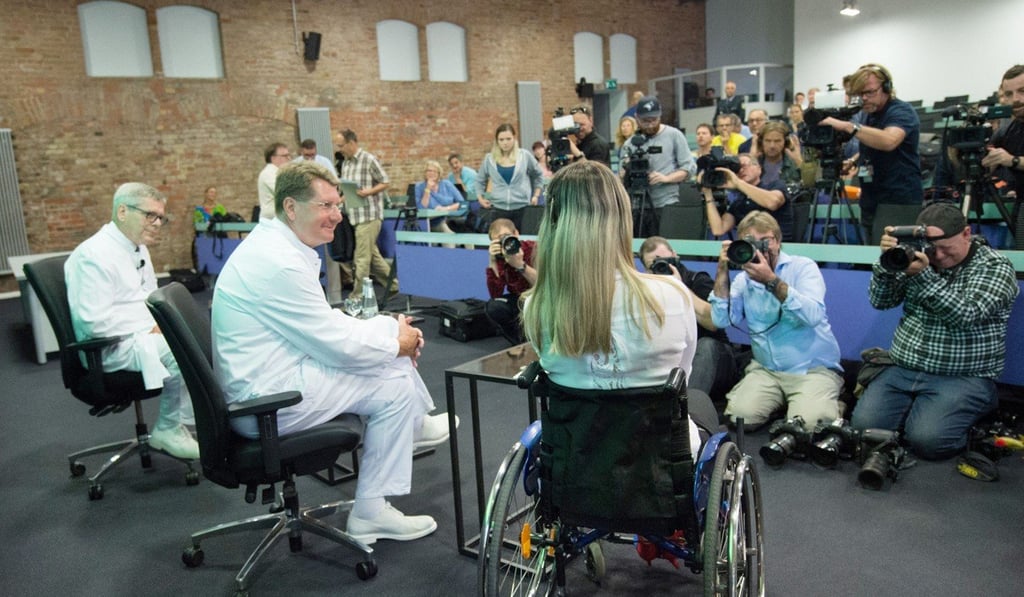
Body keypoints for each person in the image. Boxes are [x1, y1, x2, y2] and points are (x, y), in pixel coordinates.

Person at [213, 161, 456, 544]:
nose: (337, 215)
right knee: (392, 382)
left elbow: (324, 326)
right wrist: (396, 342)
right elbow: (338, 345)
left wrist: (391, 333)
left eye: (337, 204)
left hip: (272, 381)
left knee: (387, 352)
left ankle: (412, 428)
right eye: (326, 205)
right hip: (268, 403)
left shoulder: (276, 246)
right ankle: (374, 507)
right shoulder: (279, 263)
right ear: (291, 207)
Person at [520, 161, 718, 458]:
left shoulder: (536, 305)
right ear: (620, 220)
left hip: (577, 460)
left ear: (552, 226)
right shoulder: (672, 294)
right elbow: (683, 374)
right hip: (659, 463)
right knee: (699, 400)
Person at [851, 203, 1018, 459]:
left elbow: (966, 314)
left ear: (966, 233)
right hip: (905, 366)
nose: (937, 256)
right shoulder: (916, 255)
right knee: (864, 430)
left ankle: (974, 414)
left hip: (963, 374)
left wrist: (922, 276)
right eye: (932, 248)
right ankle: (919, 413)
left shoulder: (995, 266)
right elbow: (880, 301)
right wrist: (887, 263)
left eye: (945, 248)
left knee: (928, 442)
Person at [65, 183, 198, 459]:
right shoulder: (93, 255)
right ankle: (169, 428)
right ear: (122, 211)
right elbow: (94, 323)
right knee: (184, 350)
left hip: (136, 337)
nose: (157, 223)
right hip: (109, 348)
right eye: (150, 215)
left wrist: (162, 320)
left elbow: (147, 295)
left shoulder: (136, 247)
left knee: (195, 336)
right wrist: (150, 324)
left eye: (161, 217)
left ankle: (179, 425)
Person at [710, 211, 843, 428]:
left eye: (766, 241)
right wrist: (722, 270)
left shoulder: (802, 267)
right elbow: (721, 319)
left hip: (811, 369)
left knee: (809, 427)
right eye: (751, 243)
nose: (761, 249)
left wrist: (771, 281)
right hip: (767, 370)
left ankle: (826, 404)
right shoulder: (744, 280)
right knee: (740, 419)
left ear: (778, 242)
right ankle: (789, 404)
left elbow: (813, 316)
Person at [820, 64, 922, 244]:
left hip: (897, 198)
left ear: (887, 88)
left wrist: (848, 126)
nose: (864, 99)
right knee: (871, 256)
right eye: (859, 95)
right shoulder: (870, 113)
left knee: (890, 257)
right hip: (871, 197)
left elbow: (889, 140)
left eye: (869, 92)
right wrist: (853, 160)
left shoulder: (901, 111)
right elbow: (871, 140)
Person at [639, 236, 741, 403]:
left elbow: (713, 322)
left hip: (716, 359)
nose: (663, 268)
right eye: (655, 266)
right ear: (647, 270)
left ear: (675, 255)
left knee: (706, 345)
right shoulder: (649, 291)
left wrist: (680, 288)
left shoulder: (697, 279)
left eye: (666, 261)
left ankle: (684, 411)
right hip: (678, 360)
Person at [337, 128, 397, 300]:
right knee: (373, 257)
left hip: (370, 215)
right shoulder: (346, 163)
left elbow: (385, 181)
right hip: (355, 217)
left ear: (351, 143)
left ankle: (357, 296)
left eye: (342, 145)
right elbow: (348, 189)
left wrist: (369, 191)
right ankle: (394, 286)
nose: (339, 149)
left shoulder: (369, 159)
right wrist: (340, 199)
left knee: (361, 259)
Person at [619, 96, 696, 214]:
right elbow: (621, 175)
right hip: (638, 205)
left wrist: (666, 178)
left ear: (660, 116)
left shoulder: (674, 135)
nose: (650, 125)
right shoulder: (630, 144)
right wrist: (627, 172)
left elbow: (689, 169)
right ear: (637, 118)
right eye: (645, 121)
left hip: (666, 201)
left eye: (654, 120)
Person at [702, 153, 795, 241]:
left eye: (744, 166)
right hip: (749, 248)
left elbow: (772, 202)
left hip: (779, 244)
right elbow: (718, 229)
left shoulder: (775, 185)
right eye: (737, 169)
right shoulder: (739, 202)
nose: (741, 170)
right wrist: (708, 194)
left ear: (759, 168)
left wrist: (738, 183)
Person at [476, 123, 543, 231]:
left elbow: (538, 175)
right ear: (497, 141)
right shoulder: (489, 159)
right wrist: (480, 198)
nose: (505, 143)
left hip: (522, 208)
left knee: (522, 243)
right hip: (498, 209)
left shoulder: (524, 156)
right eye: (501, 140)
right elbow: (480, 180)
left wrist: (536, 195)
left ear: (514, 138)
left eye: (508, 139)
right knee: (499, 243)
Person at [485, 218, 535, 344]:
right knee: (494, 306)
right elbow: (495, 294)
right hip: (519, 300)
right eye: (499, 241)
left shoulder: (533, 248)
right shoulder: (501, 257)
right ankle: (520, 343)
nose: (505, 243)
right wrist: (492, 261)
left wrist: (520, 265)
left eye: (507, 236)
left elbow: (545, 285)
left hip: (541, 297)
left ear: (516, 234)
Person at [981, 64, 1024, 200]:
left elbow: (1010, 160)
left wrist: (1013, 160)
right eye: (1009, 94)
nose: (1015, 99)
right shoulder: (1009, 130)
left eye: (1022, 91)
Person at [414, 159, 466, 234]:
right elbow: (422, 209)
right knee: (445, 230)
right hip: (433, 222)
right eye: (429, 171)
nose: (432, 173)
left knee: (466, 231)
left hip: (451, 219)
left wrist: (445, 209)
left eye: (435, 171)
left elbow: (463, 203)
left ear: (439, 173)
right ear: (425, 173)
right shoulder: (419, 187)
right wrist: (427, 189)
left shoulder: (447, 184)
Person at [756, 121, 802, 187]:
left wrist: (798, 161)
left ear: (785, 142)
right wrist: (752, 159)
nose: (772, 146)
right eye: (767, 141)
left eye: (777, 141)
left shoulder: (793, 163)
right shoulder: (756, 162)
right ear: (761, 142)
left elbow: (810, 186)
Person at [258, 142, 291, 222]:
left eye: (289, 155)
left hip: (280, 219)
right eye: (285, 156)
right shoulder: (269, 173)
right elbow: (285, 192)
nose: (289, 158)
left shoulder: (280, 173)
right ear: (273, 158)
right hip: (272, 221)